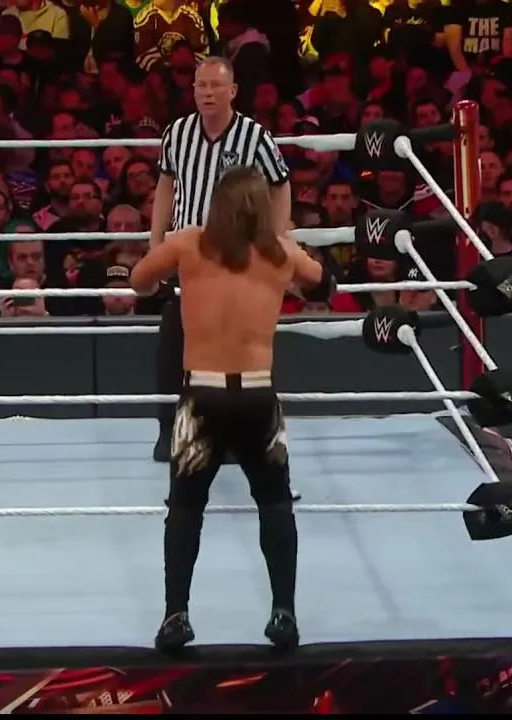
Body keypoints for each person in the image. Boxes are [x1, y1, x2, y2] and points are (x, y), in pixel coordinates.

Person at [130, 166, 333, 654]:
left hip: (202, 398)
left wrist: (173, 275)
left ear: (215, 203)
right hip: (257, 398)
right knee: (275, 504)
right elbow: (324, 286)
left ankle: (176, 616)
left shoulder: (188, 243)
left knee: (185, 508)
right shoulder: (280, 252)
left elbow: (138, 281)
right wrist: (287, 272)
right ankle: (284, 613)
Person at [148, 56, 292, 466]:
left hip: (238, 257)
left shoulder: (254, 136)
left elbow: (281, 185)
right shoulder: (177, 133)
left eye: (215, 86)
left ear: (233, 91)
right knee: (174, 345)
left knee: (241, 348)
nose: (207, 93)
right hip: (188, 258)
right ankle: (170, 432)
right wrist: (155, 240)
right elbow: (165, 184)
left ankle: (246, 438)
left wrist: (277, 239)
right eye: (201, 86)